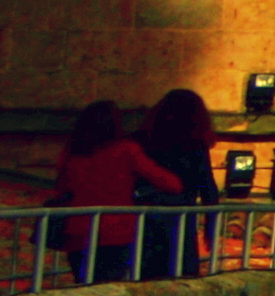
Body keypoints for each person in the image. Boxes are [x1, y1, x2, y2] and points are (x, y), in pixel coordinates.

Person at [50, 99, 156, 284]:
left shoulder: (73, 151)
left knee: (83, 284)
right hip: (117, 230)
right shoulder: (127, 150)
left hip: (78, 230)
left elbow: (62, 187)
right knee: (110, 285)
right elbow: (168, 182)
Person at [139, 87, 226, 278]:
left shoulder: (146, 140)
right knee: (181, 273)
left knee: (147, 274)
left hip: (148, 216)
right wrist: (211, 227)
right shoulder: (194, 145)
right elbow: (207, 186)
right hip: (182, 217)